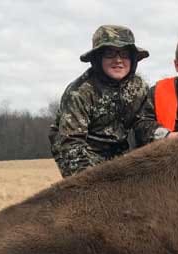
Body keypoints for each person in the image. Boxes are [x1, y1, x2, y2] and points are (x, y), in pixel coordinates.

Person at [48, 25, 150, 177]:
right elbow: (70, 144)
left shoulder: (139, 87)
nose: (118, 60)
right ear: (98, 58)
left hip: (120, 154)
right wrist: (89, 180)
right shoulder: (80, 92)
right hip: (82, 155)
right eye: (109, 54)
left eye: (124, 54)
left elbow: (143, 124)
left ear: (133, 59)